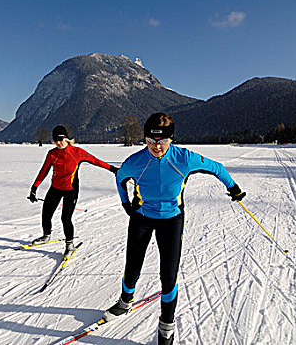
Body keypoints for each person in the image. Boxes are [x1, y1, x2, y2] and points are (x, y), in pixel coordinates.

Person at [102, 113, 245, 345]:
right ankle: (125, 302)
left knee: (168, 276)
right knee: (132, 266)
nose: (157, 146)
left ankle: (167, 325)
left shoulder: (184, 158)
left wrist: (234, 187)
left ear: (171, 139)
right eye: (151, 141)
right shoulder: (135, 162)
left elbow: (217, 167)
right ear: (145, 138)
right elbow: (120, 179)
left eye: (163, 141)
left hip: (172, 220)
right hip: (142, 218)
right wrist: (125, 203)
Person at [28, 125, 118, 258]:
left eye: (61, 139)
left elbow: (95, 161)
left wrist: (113, 169)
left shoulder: (77, 152)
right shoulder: (52, 154)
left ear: (66, 138)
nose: (58, 143)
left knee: (65, 218)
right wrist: (34, 188)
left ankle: (69, 245)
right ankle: (46, 236)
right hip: (55, 188)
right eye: (55, 140)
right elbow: (43, 171)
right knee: (46, 212)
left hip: (71, 190)